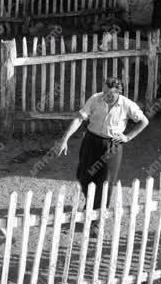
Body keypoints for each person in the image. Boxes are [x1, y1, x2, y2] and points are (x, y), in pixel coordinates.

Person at [57, 77, 149, 210]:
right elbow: (79, 118)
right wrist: (65, 139)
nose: (105, 96)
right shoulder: (95, 99)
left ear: (119, 92)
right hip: (91, 141)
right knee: (83, 175)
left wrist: (128, 137)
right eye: (104, 92)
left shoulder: (127, 105)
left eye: (109, 94)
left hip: (112, 145)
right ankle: (91, 204)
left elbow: (144, 121)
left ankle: (97, 217)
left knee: (105, 182)